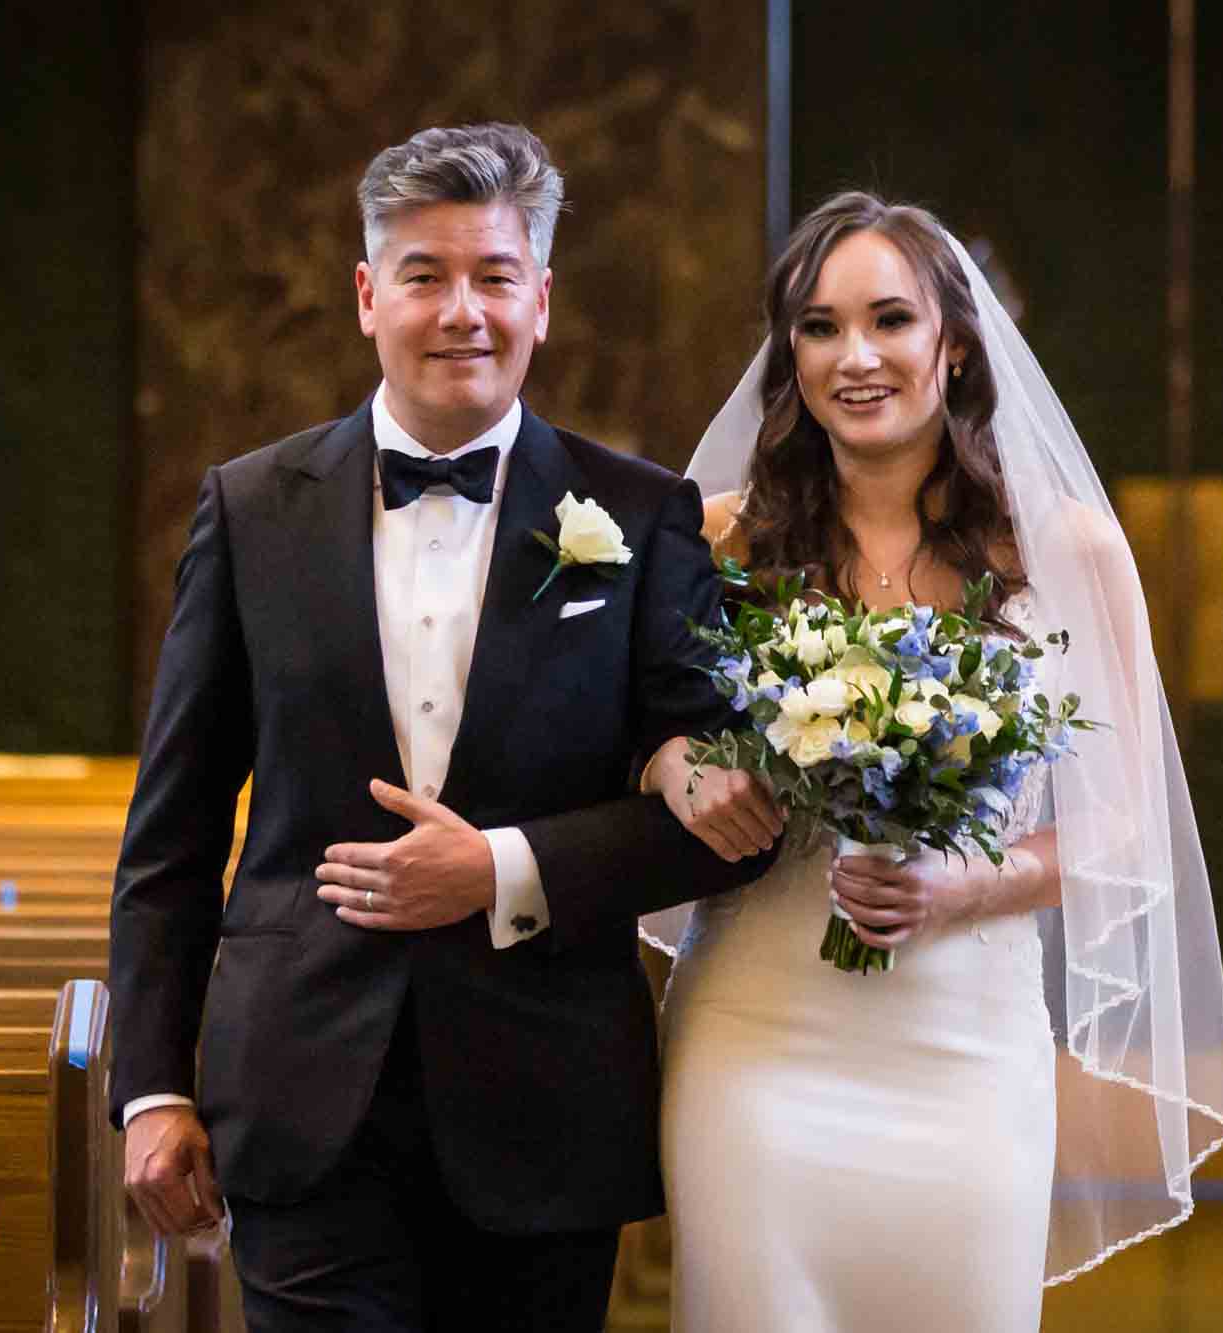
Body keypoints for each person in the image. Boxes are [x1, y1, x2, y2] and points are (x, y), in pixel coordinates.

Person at [107, 122, 774, 1333]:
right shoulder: (250, 507)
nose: (460, 310)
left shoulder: (641, 515)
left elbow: (727, 821)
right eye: (423, 274)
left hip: (544, 1102)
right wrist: (149, 1083)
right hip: (299, 1092)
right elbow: (175, 827)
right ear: (368, 296)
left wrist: (501, 870)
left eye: (493, 276)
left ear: (542, 300)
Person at [638, 192, 1223, 1331]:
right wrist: (683, 769)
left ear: (952, 344)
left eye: (888, 321)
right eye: (816, 327)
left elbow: (1126, 820)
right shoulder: (717, 536)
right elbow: (629, 737)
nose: (853, 356)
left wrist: (972, 883)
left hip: (963, 1046)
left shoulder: (1064, 547)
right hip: (756, 1037)